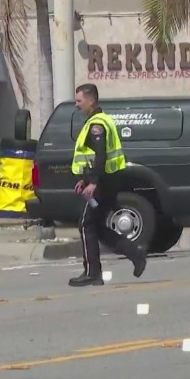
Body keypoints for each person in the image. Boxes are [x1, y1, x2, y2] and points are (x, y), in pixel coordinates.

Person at [69, 83, 147, 287]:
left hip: (102, 183)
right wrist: (83, 179)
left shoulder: (97, 124)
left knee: (85, 223)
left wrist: (93, 183)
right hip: (103, 181)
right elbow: (91, 157)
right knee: (99, 229)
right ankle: (135, 255)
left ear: (91, 100)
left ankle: (92, 272)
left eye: (79, 101)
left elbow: (101, 154)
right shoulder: (96, 121)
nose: (77, 105)